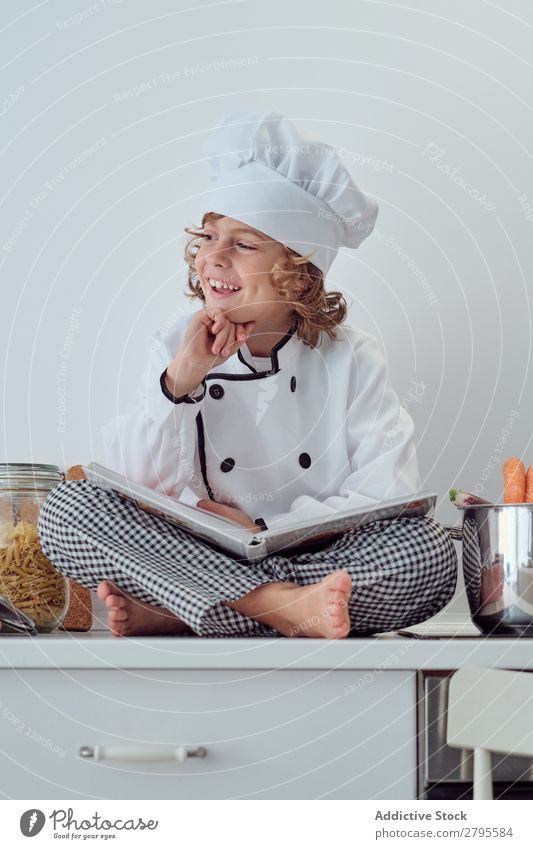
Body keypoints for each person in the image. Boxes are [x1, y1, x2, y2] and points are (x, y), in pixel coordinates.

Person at [37, 110, 457, 639]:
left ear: (299, 270)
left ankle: (185, 609)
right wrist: (179, 383)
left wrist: (265, 531)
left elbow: (387, 489)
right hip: (190, 549)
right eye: (210, 237)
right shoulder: (173, 345)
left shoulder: (353, 357)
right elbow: (136, 487)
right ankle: (281, 607)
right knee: (69, 510)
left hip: (312, 553)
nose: (213, 258)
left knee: (427, 552)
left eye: (243, 244)